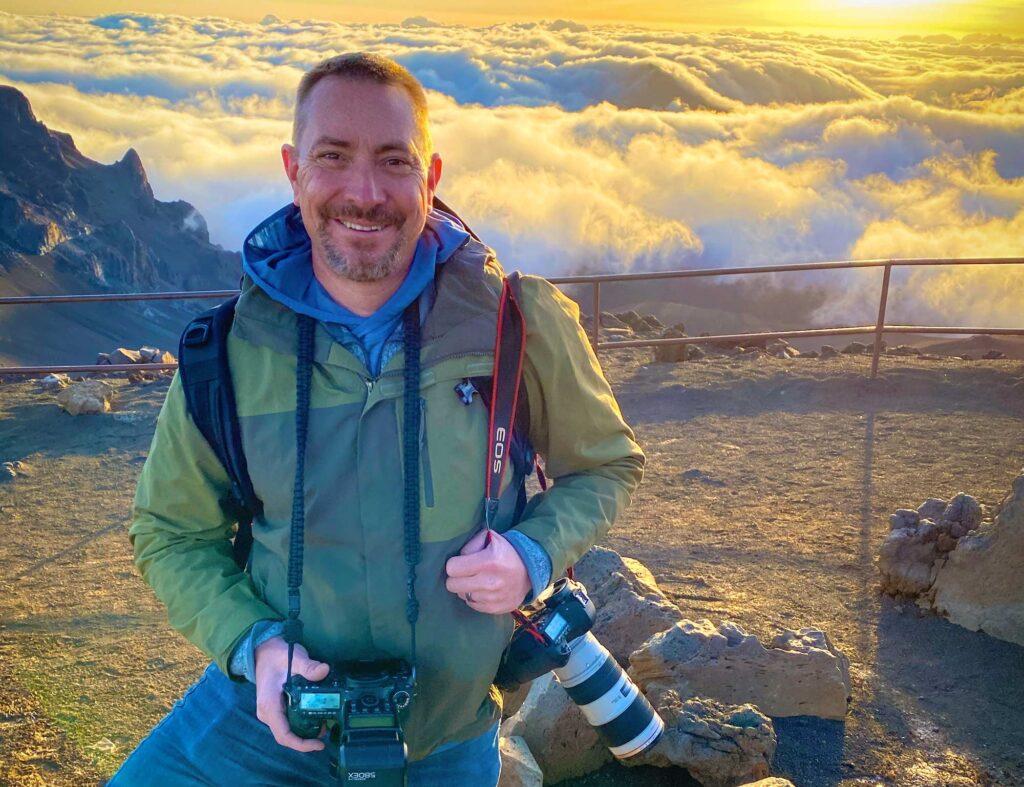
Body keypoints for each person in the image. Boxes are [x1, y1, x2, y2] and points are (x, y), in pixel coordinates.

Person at [110, 52, 644, 786]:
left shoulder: (518, 324)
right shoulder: (227, 352)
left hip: (445, 737)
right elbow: (170, 531)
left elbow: (605, 463)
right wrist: (252, 644)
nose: (364, 193)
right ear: (294, 170)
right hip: (261, 722)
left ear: (431, 177)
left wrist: (533, 554)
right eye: (333, 156)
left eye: (394, 161)